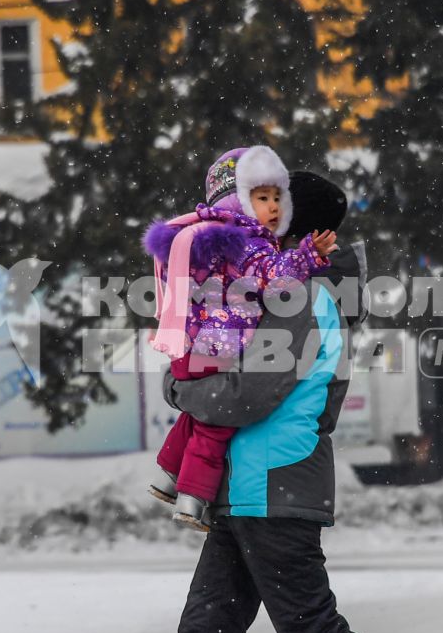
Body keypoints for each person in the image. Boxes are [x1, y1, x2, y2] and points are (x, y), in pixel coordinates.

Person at [131, 169, 443, 633]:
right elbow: (323, 403)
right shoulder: (289, 292)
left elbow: (246, 395)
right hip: (252, 487)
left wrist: (180, 389)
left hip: (270, 488)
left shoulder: (297, 297)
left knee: (312, 632)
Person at [143, 146, 337, 530]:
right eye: (263, 198)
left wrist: (178, 387)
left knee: (200, 420)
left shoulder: (200, 240)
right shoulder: (268, 261)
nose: (275, 207)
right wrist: (307, 257)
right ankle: (191, 496)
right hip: (268, 485)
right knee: (212, 428)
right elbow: (238, 400)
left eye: (278, 198)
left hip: (257, 481)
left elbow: (224, 396)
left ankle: (169, 474)